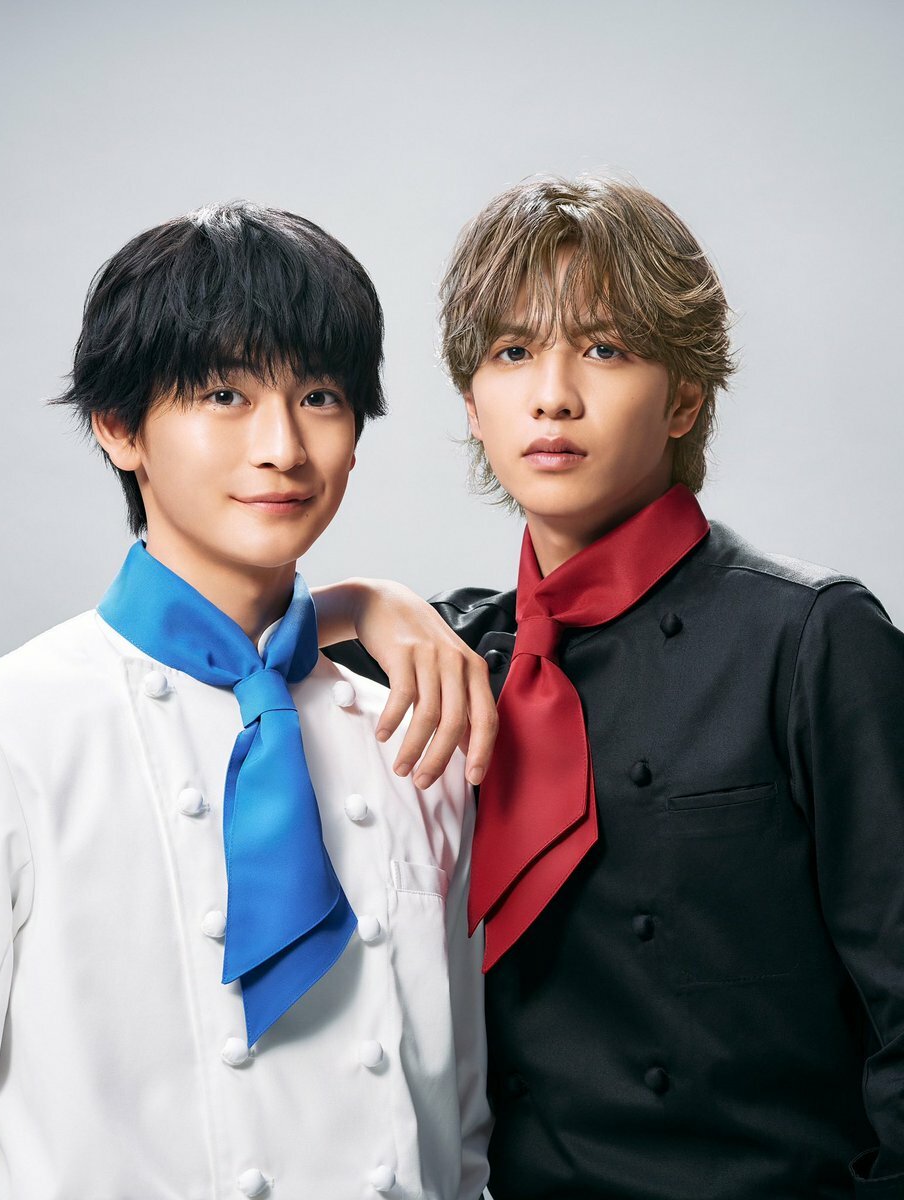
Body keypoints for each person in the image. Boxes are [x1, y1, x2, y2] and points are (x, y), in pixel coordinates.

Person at [329, 176, 904, 1198]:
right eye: (513, 353)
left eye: (604, 348)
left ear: (684, 397)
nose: (552, 395)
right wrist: (358, 601)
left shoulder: (813, 638)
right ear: (473, 404)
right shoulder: (451, 657)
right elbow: (203, 648)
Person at [0, 202, 491, 1199]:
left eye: (319, 395)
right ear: (120, 427)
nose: (282, 446)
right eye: (225, 394)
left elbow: (457, 1127)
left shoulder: (413, 744)